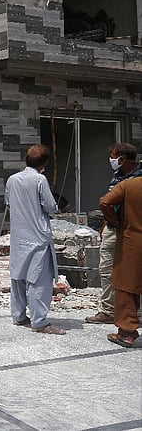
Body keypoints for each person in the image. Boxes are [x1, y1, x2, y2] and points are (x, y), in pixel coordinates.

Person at [6, 144, 64, 335]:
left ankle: (19, 315)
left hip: (18, 237)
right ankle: (39, 322)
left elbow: (9, 203)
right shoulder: (39, 179)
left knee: (18, 277)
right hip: (38, 238)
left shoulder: (12, 180)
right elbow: (50, 206)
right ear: (44, 163)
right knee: (39, 280)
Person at [86, 143, 142, 324]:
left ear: (122, 159)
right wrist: (107, 224)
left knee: (135, 271)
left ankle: (135, 314)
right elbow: (108, 204)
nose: (111, 160)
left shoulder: (138, 178)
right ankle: (108, 310)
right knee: (107, 268)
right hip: (113, 229)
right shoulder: (116, 177)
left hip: (133, 230)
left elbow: (106, 202)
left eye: (113, 156)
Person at [99, 175, 142, 348]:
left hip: (132, 240)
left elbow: (105, 202)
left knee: (126, 285)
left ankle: (126, 332)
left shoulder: (129, 185)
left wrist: (116, 222)